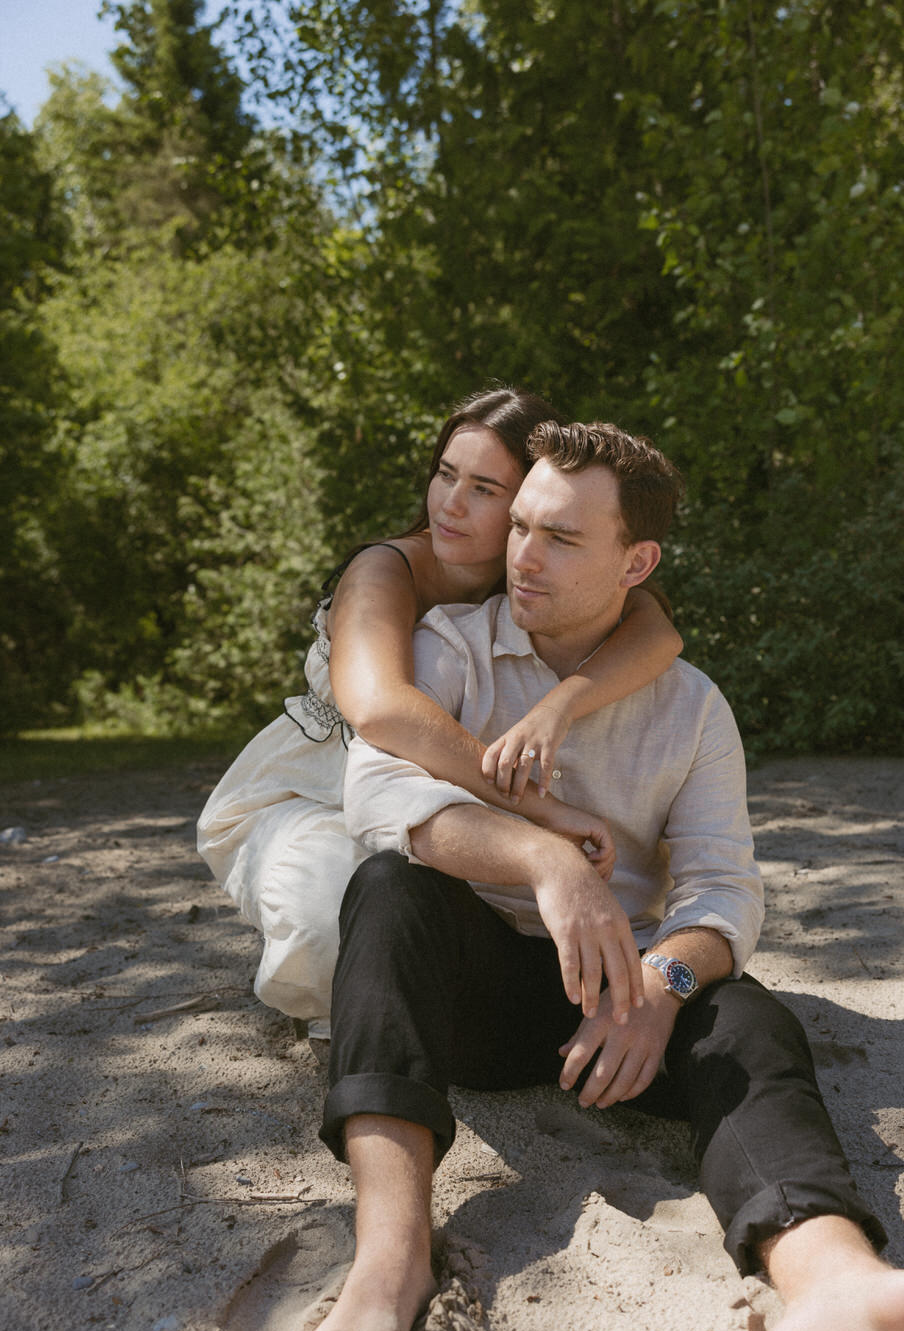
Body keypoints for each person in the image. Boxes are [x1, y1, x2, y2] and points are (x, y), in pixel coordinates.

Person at [288, 420, 904, 1331]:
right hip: (472, 986)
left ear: (637, 562)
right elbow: (381, 798)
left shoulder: (691, 706)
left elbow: (720, 887)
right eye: (520, 526)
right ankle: (391, 1255)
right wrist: (542, 857)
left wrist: (659, 987)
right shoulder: (448, 649)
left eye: (561, 538)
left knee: (749, 1018)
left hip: (623, 1006)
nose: (521, 554)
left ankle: (830, 1279)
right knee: (385, 891)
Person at [197, 388, 682, 1030]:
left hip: (439, 793)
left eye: (485, 489)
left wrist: (560, 705)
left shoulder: (540, 573)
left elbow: (658, 634)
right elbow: (380, 710)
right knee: (330, 919)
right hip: (312, 792)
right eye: (446, 475)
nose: (451, 504)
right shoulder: (384, 568)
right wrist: (539, 808)